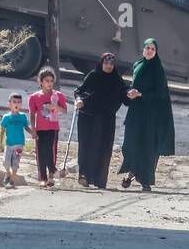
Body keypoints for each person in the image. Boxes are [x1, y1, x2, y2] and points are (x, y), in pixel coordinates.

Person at [119, 38, 175, 193]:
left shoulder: (158, 69)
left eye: (152, 49)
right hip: (136, 112)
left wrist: (141, 94)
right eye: (147, 48)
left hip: (151, 115)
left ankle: (145, 181)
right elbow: (134, 85)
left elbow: (160, 92)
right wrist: (130, 92)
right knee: (131, 143)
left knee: (148, 147)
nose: (149, 51)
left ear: (156, 52)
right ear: (143, 49)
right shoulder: (137, 65)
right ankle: (131, 172)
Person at [74, 52, 127, 189]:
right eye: (106, 63)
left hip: (106, 119)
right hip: (88, 117)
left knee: (104, 149)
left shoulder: (117, 80)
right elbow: (79, 91)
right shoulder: (93, 75)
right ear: (101, 63)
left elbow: (125, 95)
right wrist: (79, 100)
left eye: (111, 63)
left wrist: (130, 94)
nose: (109, 66)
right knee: (86, 145)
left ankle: (99, 180)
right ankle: (84, 176)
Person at [27, 68, 68, 187]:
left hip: (53, 127)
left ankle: (51, 175)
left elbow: (64, 111)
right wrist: (33, 129)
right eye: (46, 80)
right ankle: (43, 178)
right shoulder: (34, 97)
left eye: (51, 80)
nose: (49, 83)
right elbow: (32, 114)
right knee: (41, 152)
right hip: (40, 128)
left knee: (50, 150)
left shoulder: (58, 95)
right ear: (40, 82)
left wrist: (54, 106)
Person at [0, 93, 30, 188]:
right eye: (14, 102)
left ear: (21, 104)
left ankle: (12, 180)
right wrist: (0, 143)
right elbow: (2, 130)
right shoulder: (6, 117)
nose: (16, 104)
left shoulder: (23, 116)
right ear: (9, 103)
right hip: (9, 144)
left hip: (19, 144)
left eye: (19, 102)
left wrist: (33, 133)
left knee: (15, 163)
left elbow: (26, 127)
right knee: (6, 162)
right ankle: (8, 173)